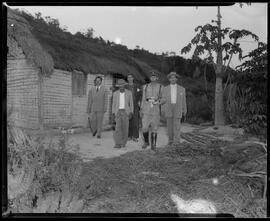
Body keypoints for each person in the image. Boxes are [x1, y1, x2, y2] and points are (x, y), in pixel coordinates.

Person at [140, 70, 165, 151]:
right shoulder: (145, 87)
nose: (153, 78)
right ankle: (146, 142)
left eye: (154, 76)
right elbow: (143, 99)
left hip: (155, 110)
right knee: (144, 127)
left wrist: (158, 102)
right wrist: (141, 109)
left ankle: (153, 144)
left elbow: (164, 99)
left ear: (157, 78)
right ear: (150, 78)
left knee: (154, 128)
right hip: (146, 109)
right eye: (151, 76)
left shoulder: (161, 87)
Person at [162, 72, 187, 145]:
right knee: (169, 126)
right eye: (171, 78)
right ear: (169, 79)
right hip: (168, 108)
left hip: (178, 108)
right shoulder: (165, 89)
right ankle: (170, 140)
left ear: (176, 79)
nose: (173, 79)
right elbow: (163, 99)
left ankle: (177, 142)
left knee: (177, 126)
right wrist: (163, 109)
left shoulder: (182, 89)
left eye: (174, 77)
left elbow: (184, 101)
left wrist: (184, 109)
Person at [112, 79, 134, 148]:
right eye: (120, 85)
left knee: (125, 128)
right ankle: (118, 143)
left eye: (122, 85)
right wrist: (113, 113)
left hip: (126, 112)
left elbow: (131, 103)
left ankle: (123, 142)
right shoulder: (115, 93)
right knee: (117, 128)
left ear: (124, 85)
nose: (121, 86)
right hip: (118, 112)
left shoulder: (129, 93)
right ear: (118, 86)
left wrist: (131, 112)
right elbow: (114, 104)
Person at [126, 73, 142, 142]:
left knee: (135, 121)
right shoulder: (125, 86)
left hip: (135, 105)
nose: (129, 78)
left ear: (133, 78)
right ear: (127, 79)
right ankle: (129, 136)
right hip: (127, 106)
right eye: (128, 77)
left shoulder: (137, 86)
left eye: (131, 77)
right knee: (129, 121)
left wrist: (139, 103)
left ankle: (135, 136)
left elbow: (141, 94)